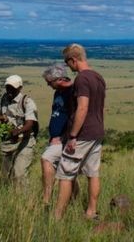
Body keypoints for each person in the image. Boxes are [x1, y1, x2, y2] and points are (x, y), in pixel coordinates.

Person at [54, 44, 106, 220]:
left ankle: (57, 216)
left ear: (73, 60)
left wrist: (73, 136)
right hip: (97, 132)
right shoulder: (98, 77)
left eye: (67, 62)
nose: (68, 66)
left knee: (66, 173)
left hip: (83, 134)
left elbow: (82, 108)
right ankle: (91, 212)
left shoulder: (82, 79)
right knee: (93, 173)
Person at [40, 63, 76, 205]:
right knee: (67, 171)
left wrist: (64, 137)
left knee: (46, 158)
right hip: (56, 138)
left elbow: (74, 116)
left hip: (64, 139)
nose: (49, 85)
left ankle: (46, 199)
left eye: (50, 82)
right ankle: (73, 201)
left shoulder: (72, 92)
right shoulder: (58, 92)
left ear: (58, 79)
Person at [0, 74, 39, 183]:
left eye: (12, 88)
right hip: (7, 142)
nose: (9, 90)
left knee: (19, 173)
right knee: (4, 175)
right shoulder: (2, 100)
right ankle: (8, 196)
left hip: (24, 140)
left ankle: (23, 198)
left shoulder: (27, 102)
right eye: (7, 87)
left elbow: (30, 123)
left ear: (20, 88)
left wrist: (18, 131)